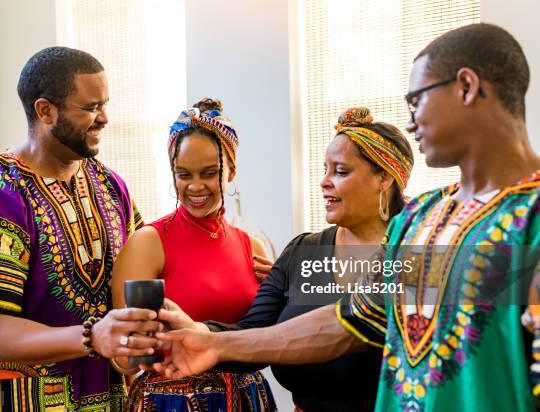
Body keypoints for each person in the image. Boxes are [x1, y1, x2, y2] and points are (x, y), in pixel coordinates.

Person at [153, 23, 540, 412]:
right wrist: (213, 341)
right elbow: (350, 322)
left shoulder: (531, 217)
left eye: (417, 100)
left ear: (466, 87)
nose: (410, 121)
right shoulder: (421, 220)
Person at [0, 47, 161, 411]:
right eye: (90, 108)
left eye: (105, 104)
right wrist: (93, 336)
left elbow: (143, 272)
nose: (104, 118)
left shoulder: (109, 185)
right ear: (45, 111)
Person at [155, 106, 414, 411]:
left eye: (341, 171)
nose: (324, 182)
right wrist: (198, 331)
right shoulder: (302, 253)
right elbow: (254, 336)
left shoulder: (415, 257)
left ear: (384, 179)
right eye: (325, 170)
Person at [111, 98, 276, 411]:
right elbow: (124, 359)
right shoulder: (149, 242)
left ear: (232, 171)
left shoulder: (253, 246)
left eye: (209, 173)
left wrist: (283, 295)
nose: (195, 186)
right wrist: (137, 345)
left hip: (247, 398)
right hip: (169, 401)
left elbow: (266, 340)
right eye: (183, 174)